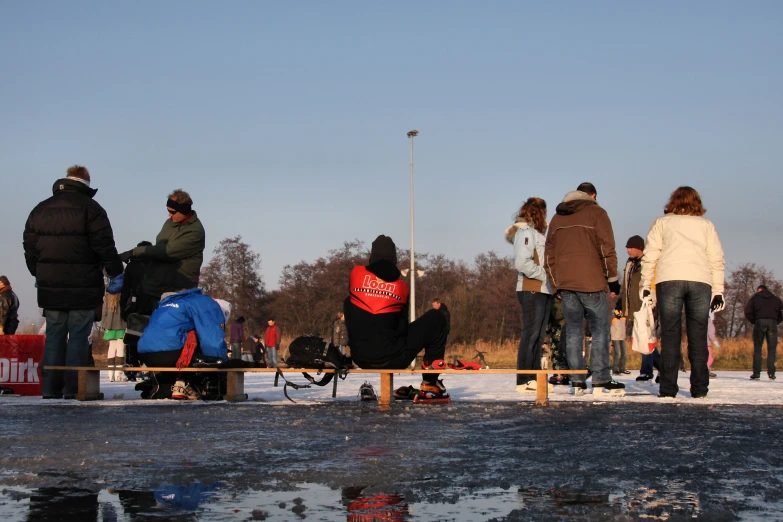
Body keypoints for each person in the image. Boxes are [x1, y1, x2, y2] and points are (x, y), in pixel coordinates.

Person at [23, 165, 124, 399]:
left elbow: (30, 248)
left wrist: (39, 274)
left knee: (54, 335)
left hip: (51, 286)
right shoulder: (92, 209)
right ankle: (74, 388)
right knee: (78, 336)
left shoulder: (39, 210)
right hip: (84, 286)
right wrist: (116, 273)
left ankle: (49, 389)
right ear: (86, 184)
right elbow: (104, 246)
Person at [640, 186, 725, 399]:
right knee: (698, 336)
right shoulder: (706, 226)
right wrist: (718, 291)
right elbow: (716, 259)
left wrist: (646, 286)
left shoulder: (662, 222)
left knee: (670, 336)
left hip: (669, 279)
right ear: (697, 202)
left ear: (673, 201)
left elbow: (650, 255)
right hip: (700, 281)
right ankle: (700, 389)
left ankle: (668, 389)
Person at [344, 234, 450, 401]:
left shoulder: (355, 278)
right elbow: (401, 327)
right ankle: (430, 381)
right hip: (393, 359)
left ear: (371, 258)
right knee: (437, 317)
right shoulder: (401, 287)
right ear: (394, 259)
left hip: (360, 357)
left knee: (350, 303)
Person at [544, 182, 624, 396]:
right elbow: (607, 248)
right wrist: (613, 279)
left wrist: (556, 284)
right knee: (599, 331)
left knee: (573, 332)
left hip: (566, 285)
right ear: (593, 195)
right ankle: (600, 380)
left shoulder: (557, 218)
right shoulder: (597, 213)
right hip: (593, 283)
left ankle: (577, 381)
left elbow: (548, 256)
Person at [137, 289, 229, 399]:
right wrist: (222, 363)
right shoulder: (207, 304)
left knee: (184, 331)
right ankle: (187, 384)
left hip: (146, 354)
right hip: (171, 354)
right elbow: (211, 340)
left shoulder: (176, 301)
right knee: (195, 336)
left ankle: (176, 384)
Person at [119, 189, 205, 304]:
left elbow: (168, 251)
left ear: (184, 210)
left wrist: (136, 252)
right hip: (156, 288)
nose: (169, 214)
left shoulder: (195, 232)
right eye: (168, 210)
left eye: (172, 212)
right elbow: (159, 247)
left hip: (178, 293)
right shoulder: (169, 222)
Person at [506, 197, 553, 393]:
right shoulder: (525, 232)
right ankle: (524, 378)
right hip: (531, 288)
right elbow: (523, 263)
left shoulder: (540, 235)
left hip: (544, 290)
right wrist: (545, 275)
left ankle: (534, 376)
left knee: (539, 335)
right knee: (531, 333)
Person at [617, 235, 660, 382]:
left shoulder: (647, 263)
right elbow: (626, 285)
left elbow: (652, 284)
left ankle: (646, 371)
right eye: (628, 248)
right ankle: (663, 368)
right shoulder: (630, 263)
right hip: (632, 305)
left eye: (631, 247)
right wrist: (621, 302)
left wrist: (651, 302)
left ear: (639, 248)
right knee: (643, 337)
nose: (628, 250)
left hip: (645, 304)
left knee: (644, 336)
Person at [744, 284, 783, 380]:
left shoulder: (755, 298)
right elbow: (781, 312)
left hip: (759, 322)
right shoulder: (776, 299)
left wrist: (754, 321)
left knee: (758, 348)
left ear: (759, 290)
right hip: (772, 323)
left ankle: (756, 373)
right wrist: (776, 321)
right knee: (772, 348)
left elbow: (747, 311)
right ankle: (771, 373)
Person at [101, 277, 127, 382]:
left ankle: (110, 373)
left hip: (109, 324)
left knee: (111, 347)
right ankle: (119, 373)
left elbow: (104, 310)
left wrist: (104, 323)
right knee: (120, 347)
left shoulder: (108, 294)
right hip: (122, 324)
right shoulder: (124, 294)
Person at [611, 309, 627, 375]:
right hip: (615, 337)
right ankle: (615, 369)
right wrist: (615, 314)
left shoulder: (623, 314)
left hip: (622, 337)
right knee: (618, 353)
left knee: (624, 354)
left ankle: (622, 369)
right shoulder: (613, 314)